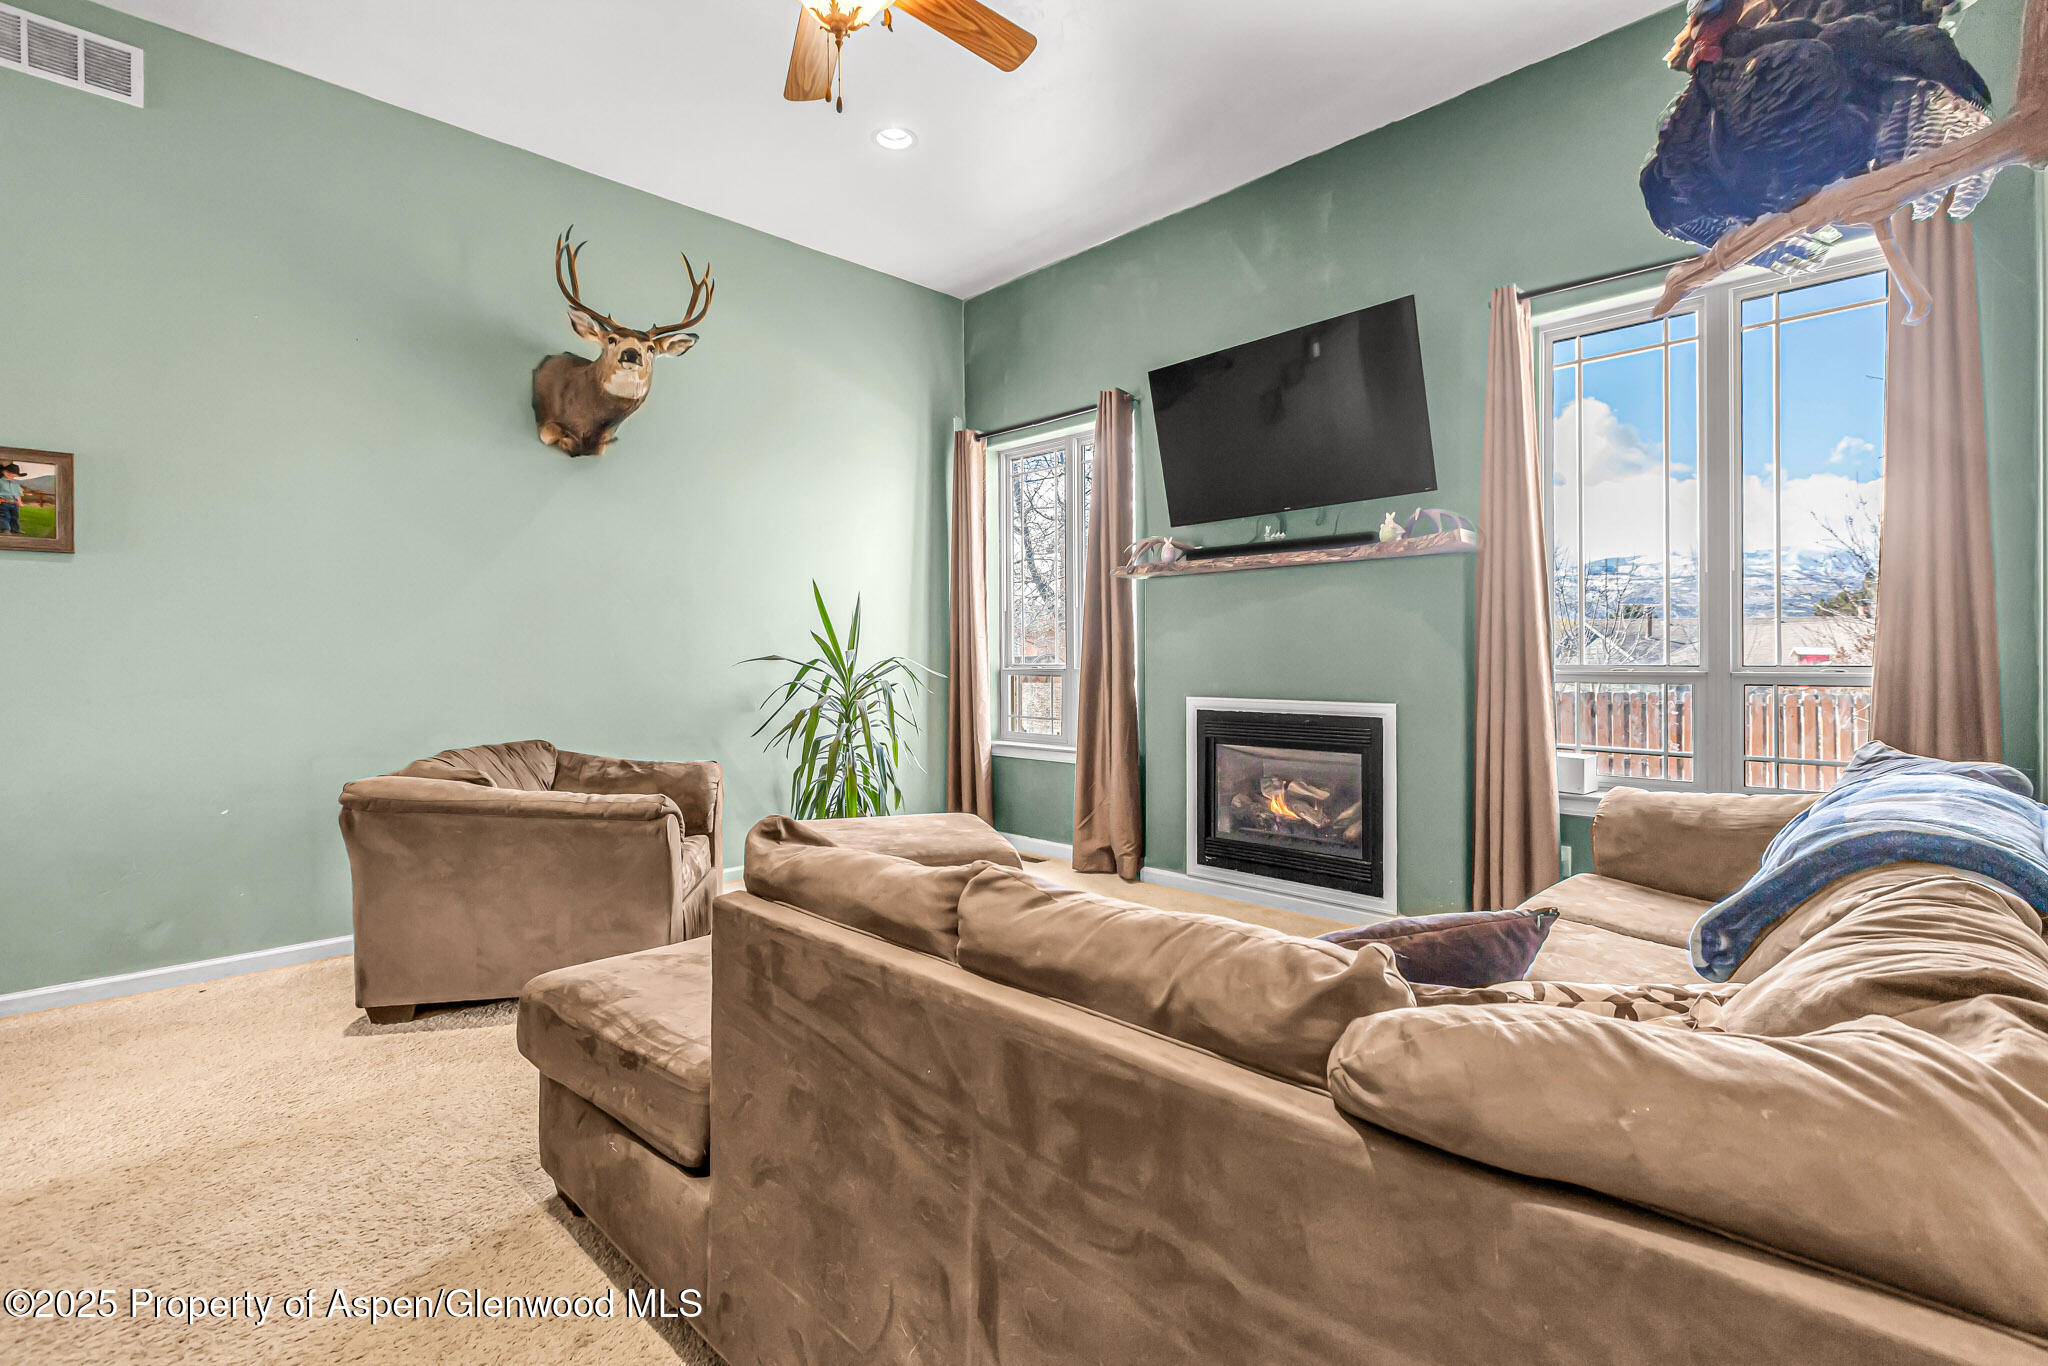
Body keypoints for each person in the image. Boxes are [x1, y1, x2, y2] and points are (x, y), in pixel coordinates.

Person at [0, 463, 23, 536]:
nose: (10, 474)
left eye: (13, 473)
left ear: (16, 475)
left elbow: (18, 494)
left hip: (14, 503)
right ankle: (5, 530)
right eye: (8, 472)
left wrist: (19, 502)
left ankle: (15, 529)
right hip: (3, 502)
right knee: (5, 516)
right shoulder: (0, 481)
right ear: (3, 471)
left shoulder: (16, 484)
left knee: (15, 517)